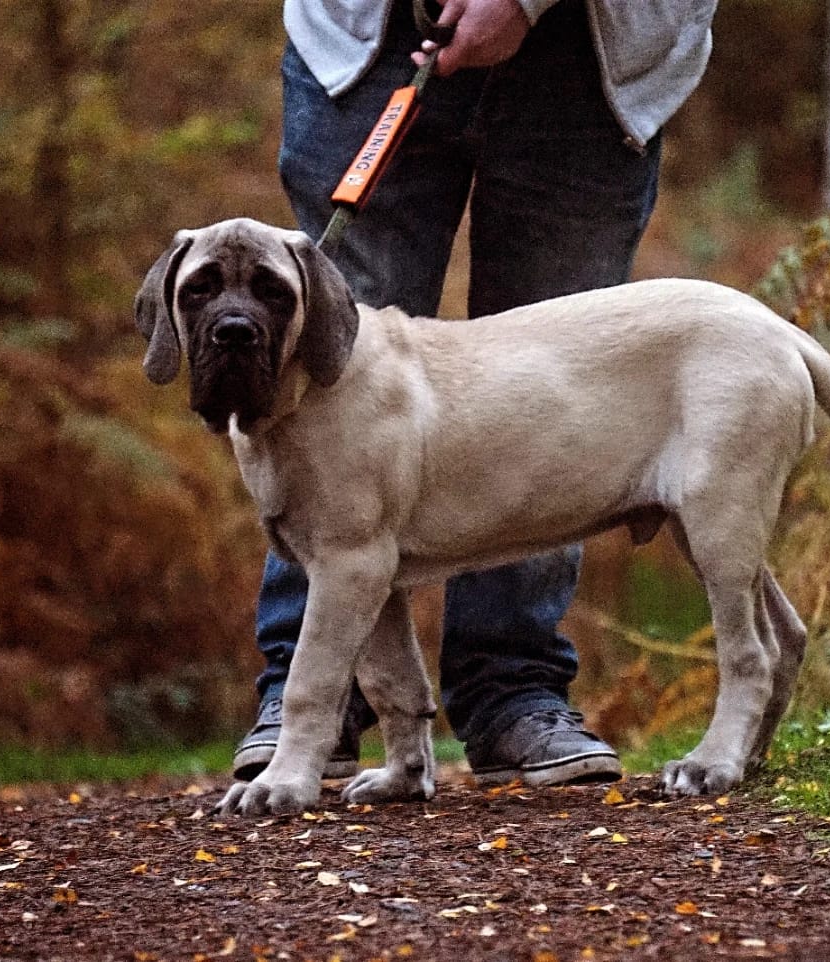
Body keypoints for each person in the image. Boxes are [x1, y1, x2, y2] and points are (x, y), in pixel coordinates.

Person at [234, 0, 717, 788]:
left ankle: (513, 692)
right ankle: (312, 701)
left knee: (550, 400)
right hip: (369, 43)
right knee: (325, 382)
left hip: (591, 57)